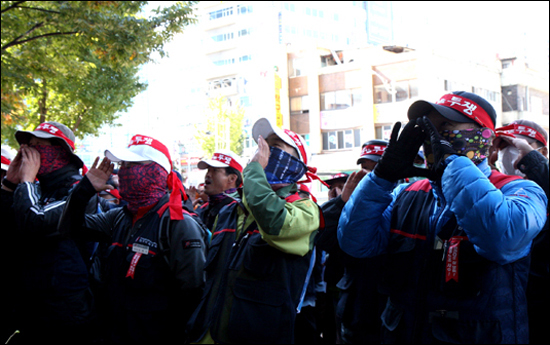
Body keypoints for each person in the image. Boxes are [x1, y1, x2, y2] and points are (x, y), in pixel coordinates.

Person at [338, 91, 547, 344]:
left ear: (486, 139)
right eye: (430, 129)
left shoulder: (519, 190)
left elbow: (502, 239)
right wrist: (381, 177)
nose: (434, 138)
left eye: (447, 127)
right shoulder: (406, 193)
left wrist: (453, 164)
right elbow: (355, 243)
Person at [186, 118, 324, 344]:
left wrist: (253, 172)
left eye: (275, 147)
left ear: (295, 163)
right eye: (264, 145)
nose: (265, 152)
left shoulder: (305, 211)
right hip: (206, 333)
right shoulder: (230, 210)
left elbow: (273, 221)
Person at [58, 134, 207, 344]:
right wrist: (85, 188)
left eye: (132, 164)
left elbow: (192, 293)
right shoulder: (119, 217)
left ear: (157, 171)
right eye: (123, 165)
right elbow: (69, 227)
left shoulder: (178, 224)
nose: (124, 171)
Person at [1, 122, 97, 344]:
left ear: (60, 150)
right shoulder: (36, 189)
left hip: (65, 310)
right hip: (32, 303)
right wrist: (8, 185)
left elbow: (35, 222)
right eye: (27, 146)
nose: (28, 152)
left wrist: (26, 183)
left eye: (37, 146)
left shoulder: (79, 189)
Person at [317, 143, 390, 344]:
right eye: (364, 167)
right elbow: (321, 238)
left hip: (391, 306)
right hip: (355, 307)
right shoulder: (348, 205)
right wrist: (341, 203)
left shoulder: (405, 197)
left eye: (374, 168)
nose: (366, 174)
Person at [493, 119, 549, 344]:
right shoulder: (492, 190)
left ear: (541, 151)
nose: (509, 154)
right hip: (502, 312)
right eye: (502, 147)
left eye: (517, 145)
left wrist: (534, 165)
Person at [195, 150, 244, 231]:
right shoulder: (203, 209)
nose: (208, 175)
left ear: (232, 178)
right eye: (208, 170)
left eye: (215, 170)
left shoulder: (239, 211)